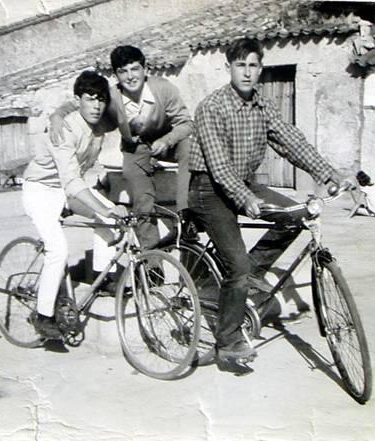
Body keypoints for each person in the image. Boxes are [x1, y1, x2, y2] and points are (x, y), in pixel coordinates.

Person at [188, 38, 347, 368]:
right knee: (237, 264)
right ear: (229, 67)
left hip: (242, 182)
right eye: (240, 65)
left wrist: (329, 174)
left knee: (296, 215)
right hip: (208, 189)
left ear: (261, 68)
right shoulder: (211, 107)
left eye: (253, 65)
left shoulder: (263, 106)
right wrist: (246, 198)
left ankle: (247, 280)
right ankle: (227, 340)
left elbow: (293, 143)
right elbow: (219, 167)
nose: (247, 72)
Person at [51, 45, 194, 248]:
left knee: (190, 148)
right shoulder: (112, 96)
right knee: (142, 201)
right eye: (123, 71)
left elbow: (186, 123)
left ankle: (186, 216)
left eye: (135, 69)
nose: (130, 77)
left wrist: (167, 140)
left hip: (167, 142)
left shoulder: (164, 88)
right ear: (116, 75)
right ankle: (151, 259)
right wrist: (57, 115)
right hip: (135, 149)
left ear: (145, 69)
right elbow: (79, 101)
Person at [23, 71, 127, 337]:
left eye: (101, 99)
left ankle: (102, 278)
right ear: (78, 100)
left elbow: (121, 108)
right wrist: (58, 114)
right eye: (90, 99)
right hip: (42, 190)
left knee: (110, 222)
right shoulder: (66, 129)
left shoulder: (101, 122)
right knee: (58, 250)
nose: (97, 105)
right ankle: (43, 316)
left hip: (68, 189)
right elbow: (71, 181)